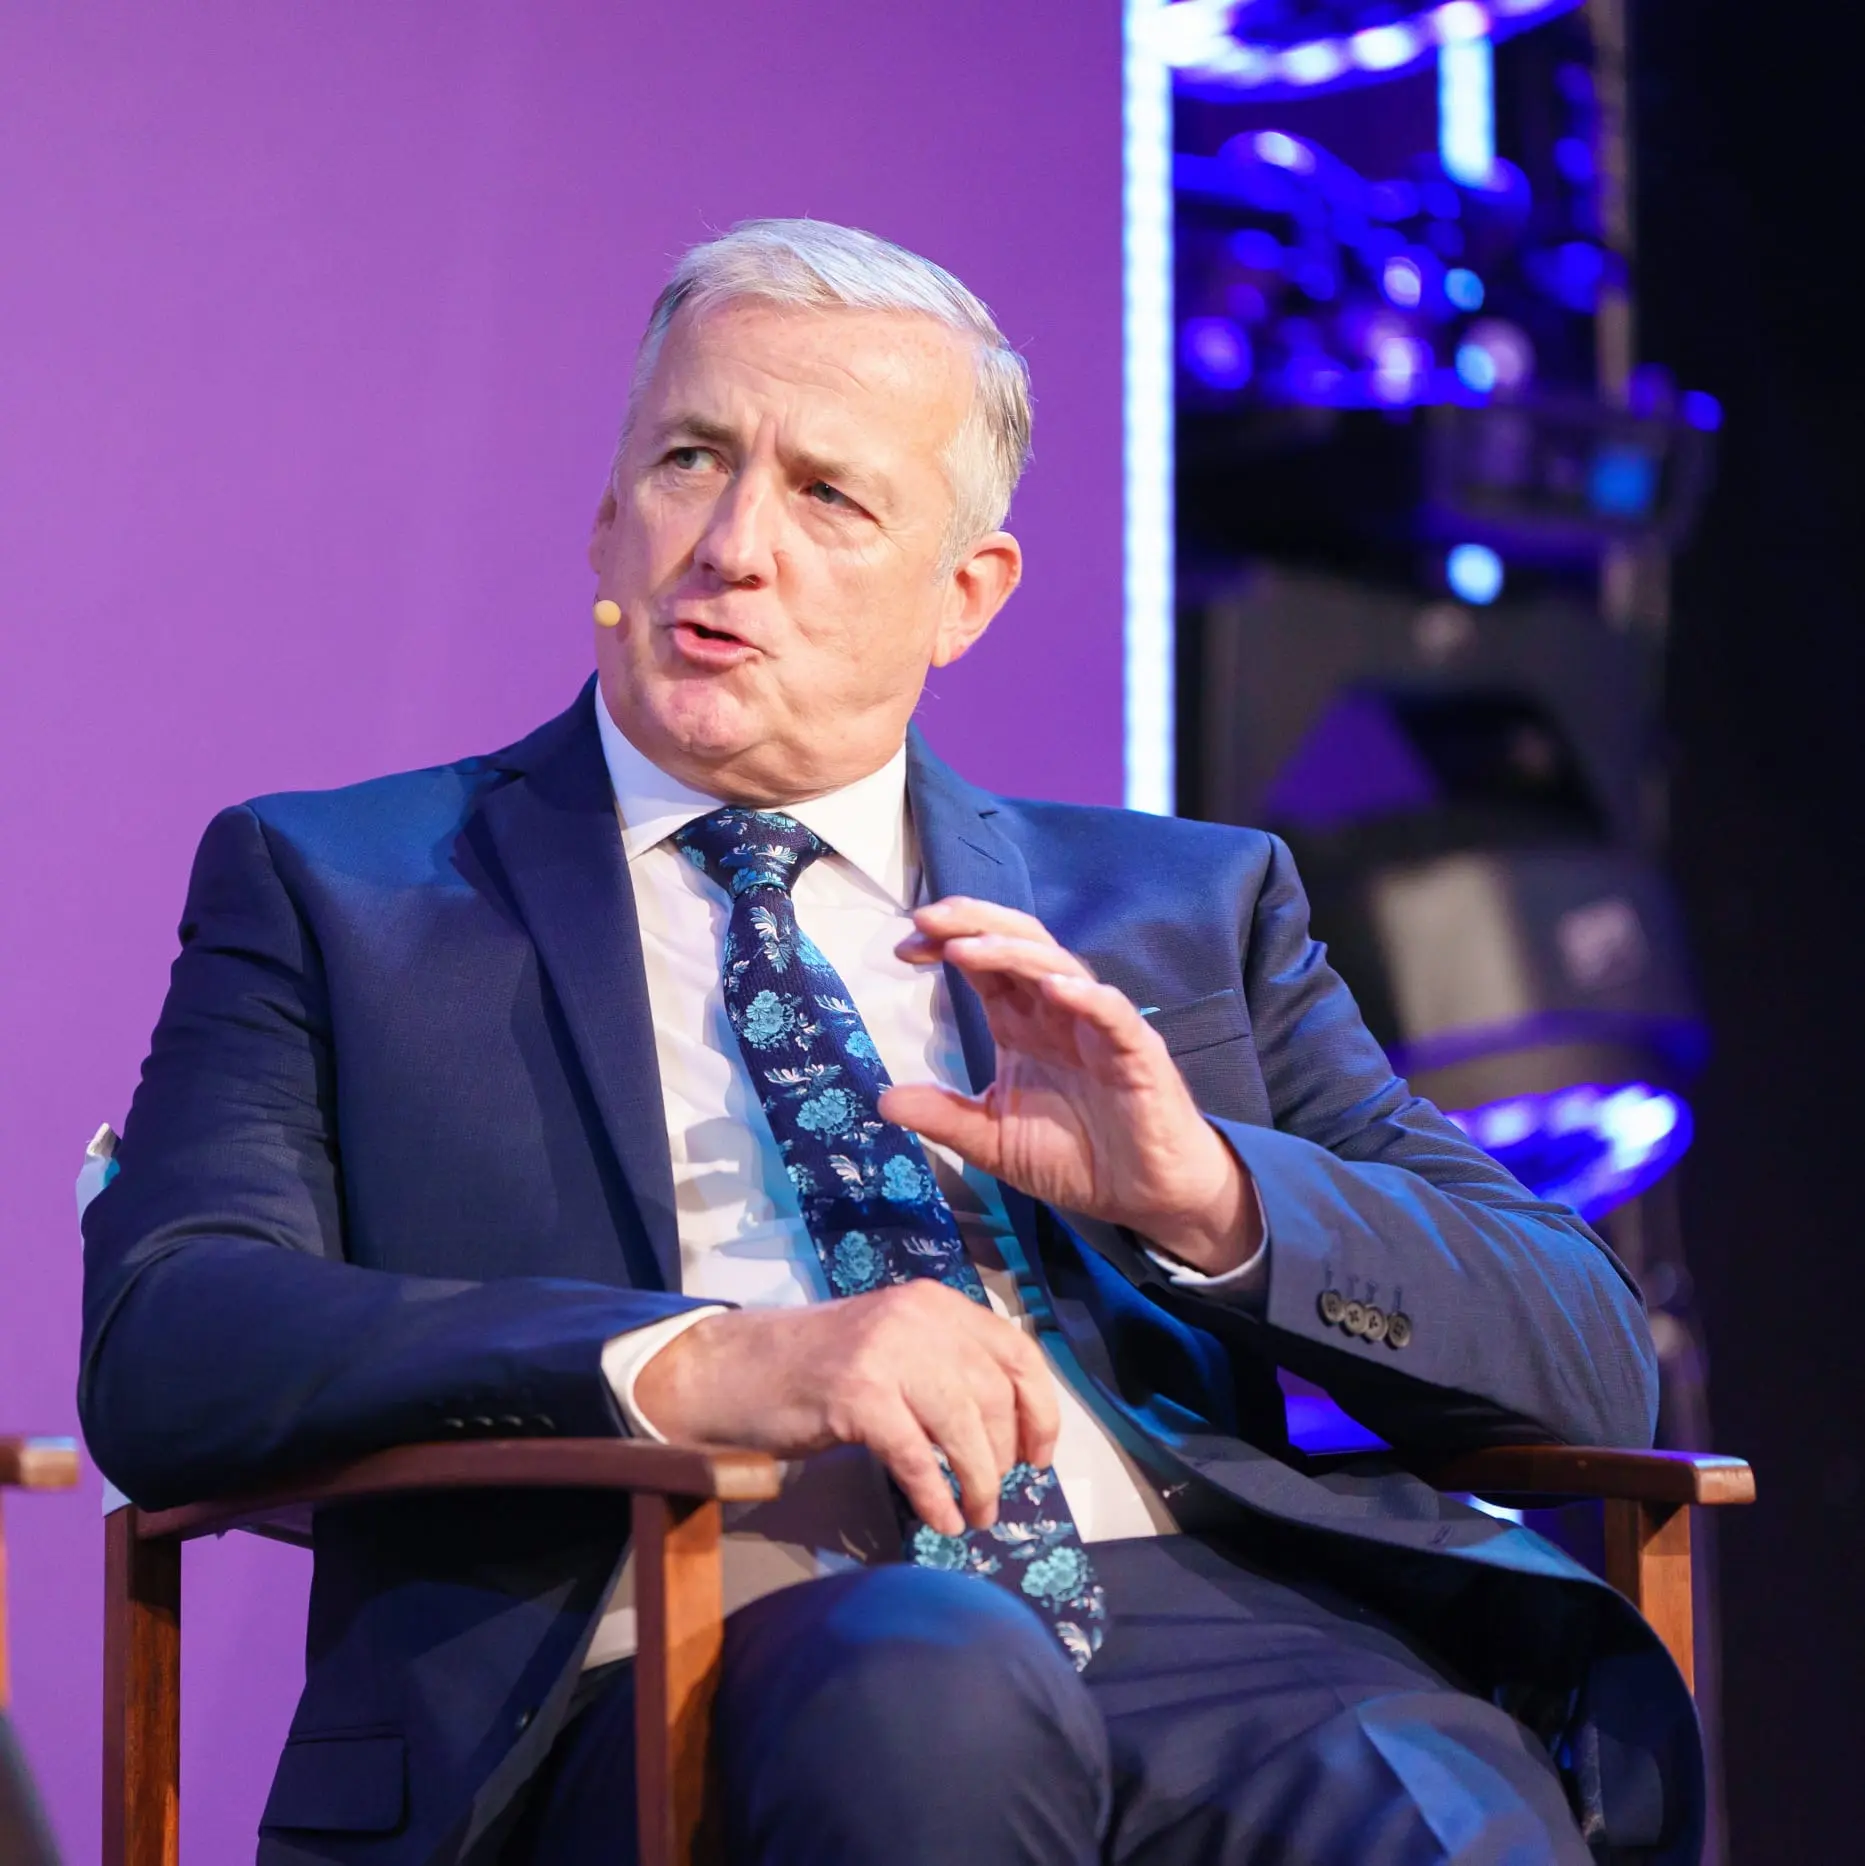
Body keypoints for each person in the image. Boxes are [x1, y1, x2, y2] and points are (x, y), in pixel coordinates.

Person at [78, 219, 1699, 1866]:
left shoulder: (1182, 907)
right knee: (933, 1682)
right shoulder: (344, 889)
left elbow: (1587, 1350)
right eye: (691, 459)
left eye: (828, 497)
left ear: (964, 595)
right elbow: (170, 1335)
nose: (733, 546)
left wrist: (1209, 1195)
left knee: (1431, 1791)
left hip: (1202, 1611)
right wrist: (700, 1361)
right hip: (688, 1644)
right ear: (608, 514)